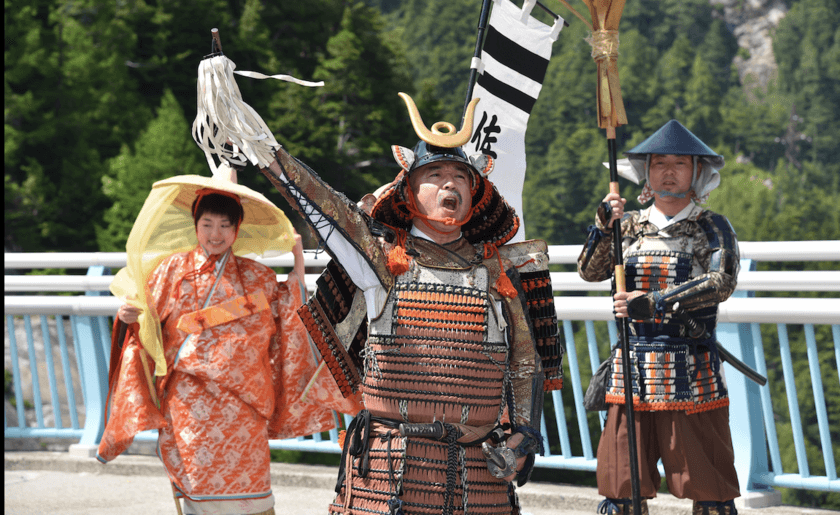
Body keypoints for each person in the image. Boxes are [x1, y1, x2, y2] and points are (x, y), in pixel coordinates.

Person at [254, 93, 564, 515]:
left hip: (478, 468)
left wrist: (524, 436)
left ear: (476, 193)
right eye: (434, 174)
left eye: (460, 177)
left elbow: (525, 363)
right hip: (390, 465)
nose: (450, 184)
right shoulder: (381, 261)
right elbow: (323, 205)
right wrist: (262, 147)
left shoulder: (499, 272)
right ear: (408, 192)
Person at [97, 167, 337, 515]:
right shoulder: (171, 271)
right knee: (197, 483)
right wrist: (127, 319)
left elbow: (286, 320)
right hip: (189, 400)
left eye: (225, 225)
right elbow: (145, 320)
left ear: (237, 229)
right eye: (208, 224)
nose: (216, 233)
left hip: (245, 402)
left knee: (251, 487)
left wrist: (298, 272)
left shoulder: (259, 276)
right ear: (195, 224)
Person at [578, 120, 741, 515]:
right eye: (659, 163)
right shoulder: (628, 225)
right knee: (620, 495)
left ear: (697, 172)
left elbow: (722, 280)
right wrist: (603, 228)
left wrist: (656, 301)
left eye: (680, 163)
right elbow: (589, 271)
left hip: (689, 367)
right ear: (646, 172)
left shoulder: (711, 227)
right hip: (630, 367)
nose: (669, 171)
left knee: (712, 494)